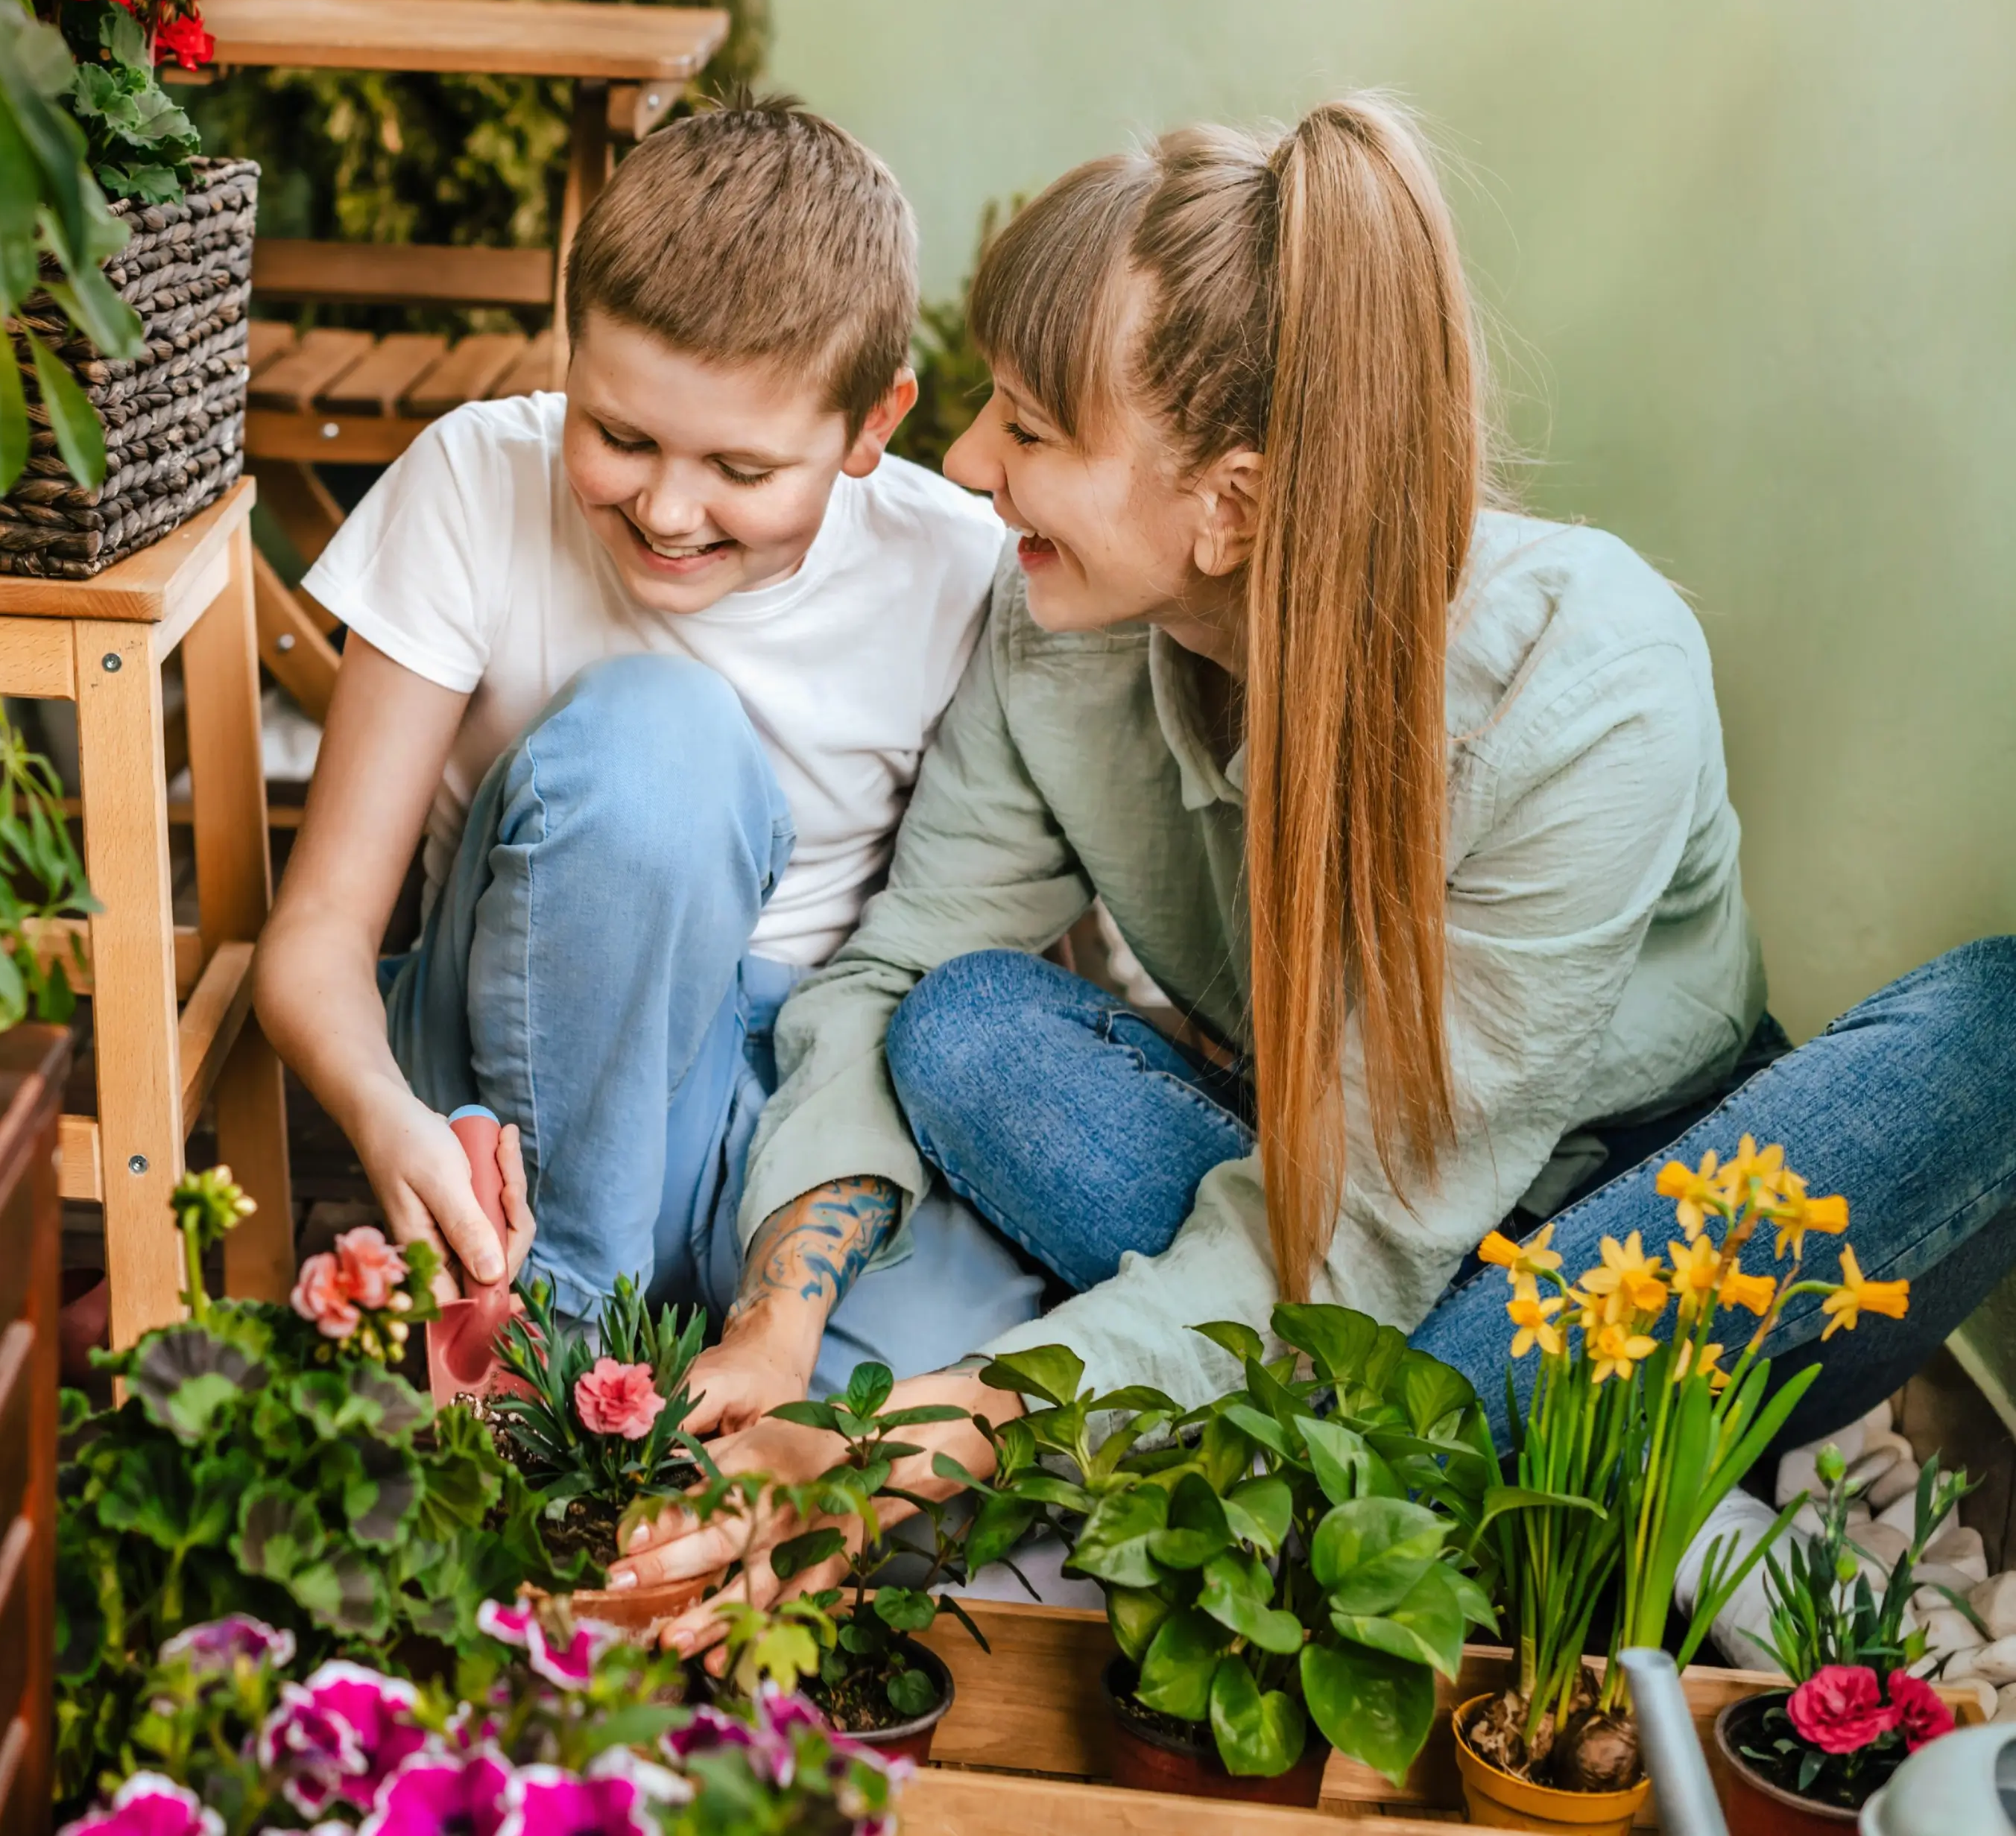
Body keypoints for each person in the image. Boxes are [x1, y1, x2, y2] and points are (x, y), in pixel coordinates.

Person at [613, 94, 2016, 1643]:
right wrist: (781, 1313)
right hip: (1326, 1213)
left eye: (1027, 424)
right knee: (958, 1025)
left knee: (2001, 1027)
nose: (966, 459)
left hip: (1635, 1230)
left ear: (1236, 502)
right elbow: (894, 975)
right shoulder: (1056, 633)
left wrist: (911, 1444)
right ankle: (1509, 1494)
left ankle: (1434, 1461)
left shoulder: (1585, 675)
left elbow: (1356, 1247)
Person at [253, 95, 1048, 1389]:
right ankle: (549, 1368)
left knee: (925, 1426)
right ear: (570, 359)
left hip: (797, 1110)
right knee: (661, 744)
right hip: (525, 1058)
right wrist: (385, 1118)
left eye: (741, 469)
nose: (669, 509)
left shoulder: (959, 568)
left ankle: (637, 1397)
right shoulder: (474, 481)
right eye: (618, 435)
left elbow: (991, 948)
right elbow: (317, 938)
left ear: (872, 426)